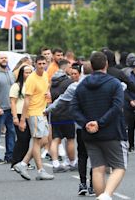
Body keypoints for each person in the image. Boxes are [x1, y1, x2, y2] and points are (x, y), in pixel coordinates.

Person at [71, 52, 128, 200]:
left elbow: (74, 108)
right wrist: (100, 122)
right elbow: (117, 107)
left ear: (91, 65)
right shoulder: (114, 83)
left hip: (89, 133)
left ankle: (101, 196)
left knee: (97, 168)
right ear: (106, 64)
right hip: (112, 132)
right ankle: (107, 195)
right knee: (119, 167)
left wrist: (86, 123)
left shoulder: (82, 85)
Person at [46, 62, 95, 196]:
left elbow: (61, 100)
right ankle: (93, 185)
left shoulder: (75, 86)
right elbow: (123, 86)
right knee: (96, 157)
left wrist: (48, 109)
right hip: (97, 125)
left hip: (81, 125)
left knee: (83, 155)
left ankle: (82, 184)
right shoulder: (105, 83)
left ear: (82, 71)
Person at [14, 55, 54, 181]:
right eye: (39, 64)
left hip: (42, 111)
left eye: (44, 63)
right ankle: (40, 170)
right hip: (34, 112)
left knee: (45, 140)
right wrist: (22, 119)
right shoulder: (31, 79)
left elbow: (46, 90)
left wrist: (48, 95)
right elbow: (27, 100)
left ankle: (23, 163)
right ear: (35, 64)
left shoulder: (46, 75)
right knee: (37, 141)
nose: (42, 66)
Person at [48, 59, 76, 173]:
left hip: (55, 113)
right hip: (67, 114)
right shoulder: (68, 82)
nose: (71, 70)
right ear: (65, 68)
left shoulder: (52, 81)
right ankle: (73, 162)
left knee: (55, 139)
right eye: (69, 67)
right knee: (70, 139)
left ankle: (55, 163)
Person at [10, 65, 33, 169]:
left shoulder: (32, 85)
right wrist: (15, 117)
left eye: (30, 72)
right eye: (26, 72)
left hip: (30, 114)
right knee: (21, 138)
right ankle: (15, 161)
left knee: (27, 138)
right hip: (19, 114)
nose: (28, 75)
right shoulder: (16, 86)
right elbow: (13, 102)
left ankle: (24, 162)